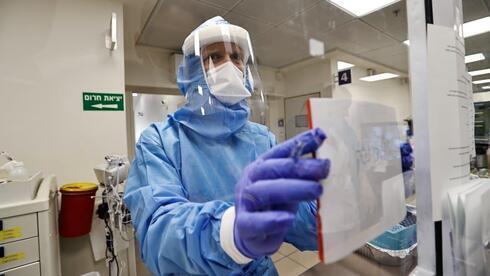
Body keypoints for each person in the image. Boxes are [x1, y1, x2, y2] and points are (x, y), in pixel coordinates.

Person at [123, 16, 330, 275]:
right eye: (215, 57)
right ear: (192, 70)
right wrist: (230, 233)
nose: (229, 65)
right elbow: (158, 232)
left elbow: (292, 213)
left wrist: (339, 205)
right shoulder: (159, 141)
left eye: (236, 57)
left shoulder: (262, 139)